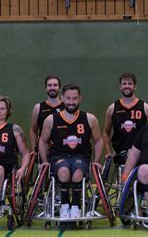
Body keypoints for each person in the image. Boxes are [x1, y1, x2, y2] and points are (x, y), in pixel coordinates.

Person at [38, 84, 104, 219]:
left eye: (75, 98)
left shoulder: (90, 119)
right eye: (68, 98)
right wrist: (44, 161)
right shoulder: (51, 119)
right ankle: (64, 205)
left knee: (78, 172)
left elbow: (98, 140)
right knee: (63, 171)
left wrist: (96, 161)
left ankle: (75, 206)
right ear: (62, 98)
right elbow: (43, 141)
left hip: (81, 156)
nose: (71, 102)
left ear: (80, 99)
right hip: (59, 156)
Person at [103, 72, 148, 164]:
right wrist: (108, 152)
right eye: (124, 84)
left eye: (130, 84)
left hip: (140, 153)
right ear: (120, 87)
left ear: (135, 86)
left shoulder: (145, 107)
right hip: (120, 154)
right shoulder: (112, 108)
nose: (127, 86)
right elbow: (106, 133)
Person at [29, 75, 64, 153]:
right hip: (44, 150)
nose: (52, 88)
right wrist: (34, 149)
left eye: (55, 85)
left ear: (59, 88)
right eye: (49, 85)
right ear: (45, 88)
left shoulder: (66, 107)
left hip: (63, 150)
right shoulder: (38, 107)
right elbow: (33, 130)